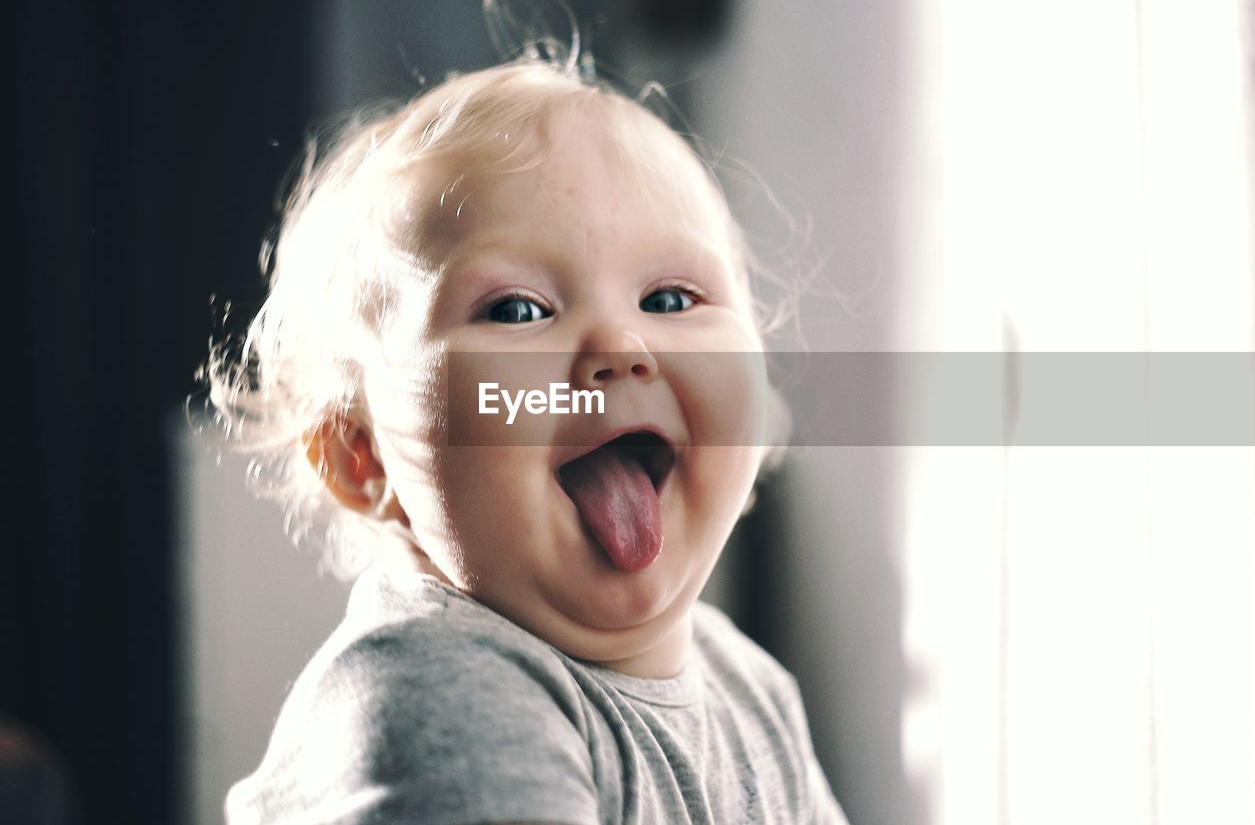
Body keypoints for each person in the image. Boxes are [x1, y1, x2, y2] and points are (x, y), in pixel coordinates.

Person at [212, 53, 846, 823]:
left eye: (670, 298)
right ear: (362, 454)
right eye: (518, 310)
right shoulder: (441, 687)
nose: (620, 344)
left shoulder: (750, 685)